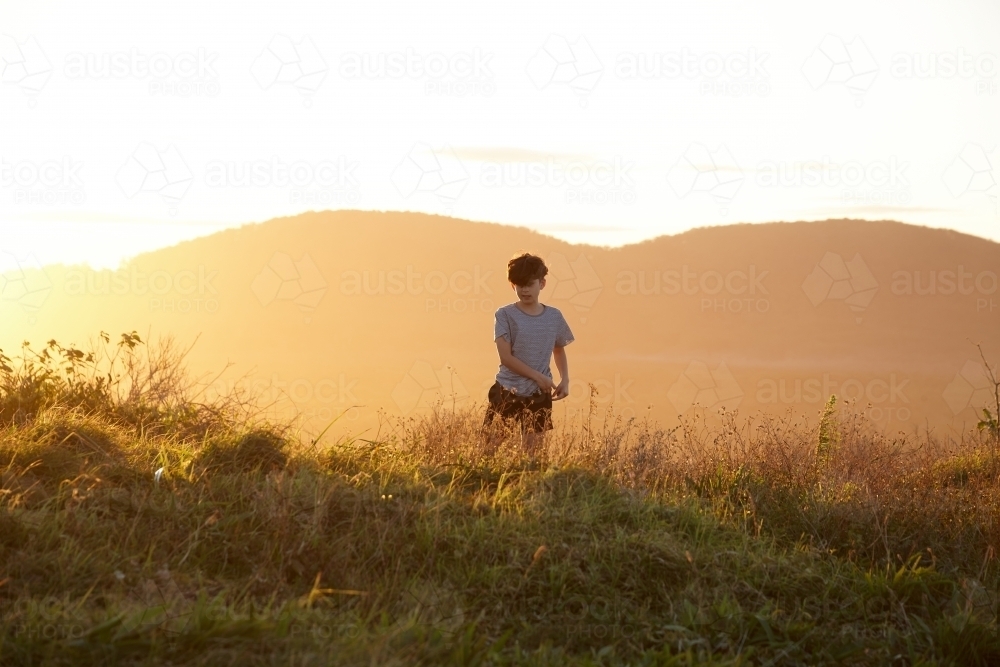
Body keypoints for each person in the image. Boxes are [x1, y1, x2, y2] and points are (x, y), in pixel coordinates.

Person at [483, 252, 574, 459]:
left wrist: (565, 379)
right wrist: (539, 376)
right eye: (519, 284)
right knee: (488, 453)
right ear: (511, 285)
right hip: (506, 392)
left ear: (542, 283)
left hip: (539, 395)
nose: (524, 289)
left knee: (534, 457)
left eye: (529, 284)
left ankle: (528, 490)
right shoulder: (504, 315)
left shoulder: (554, 316)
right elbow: (506, 358)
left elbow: (558, 348)